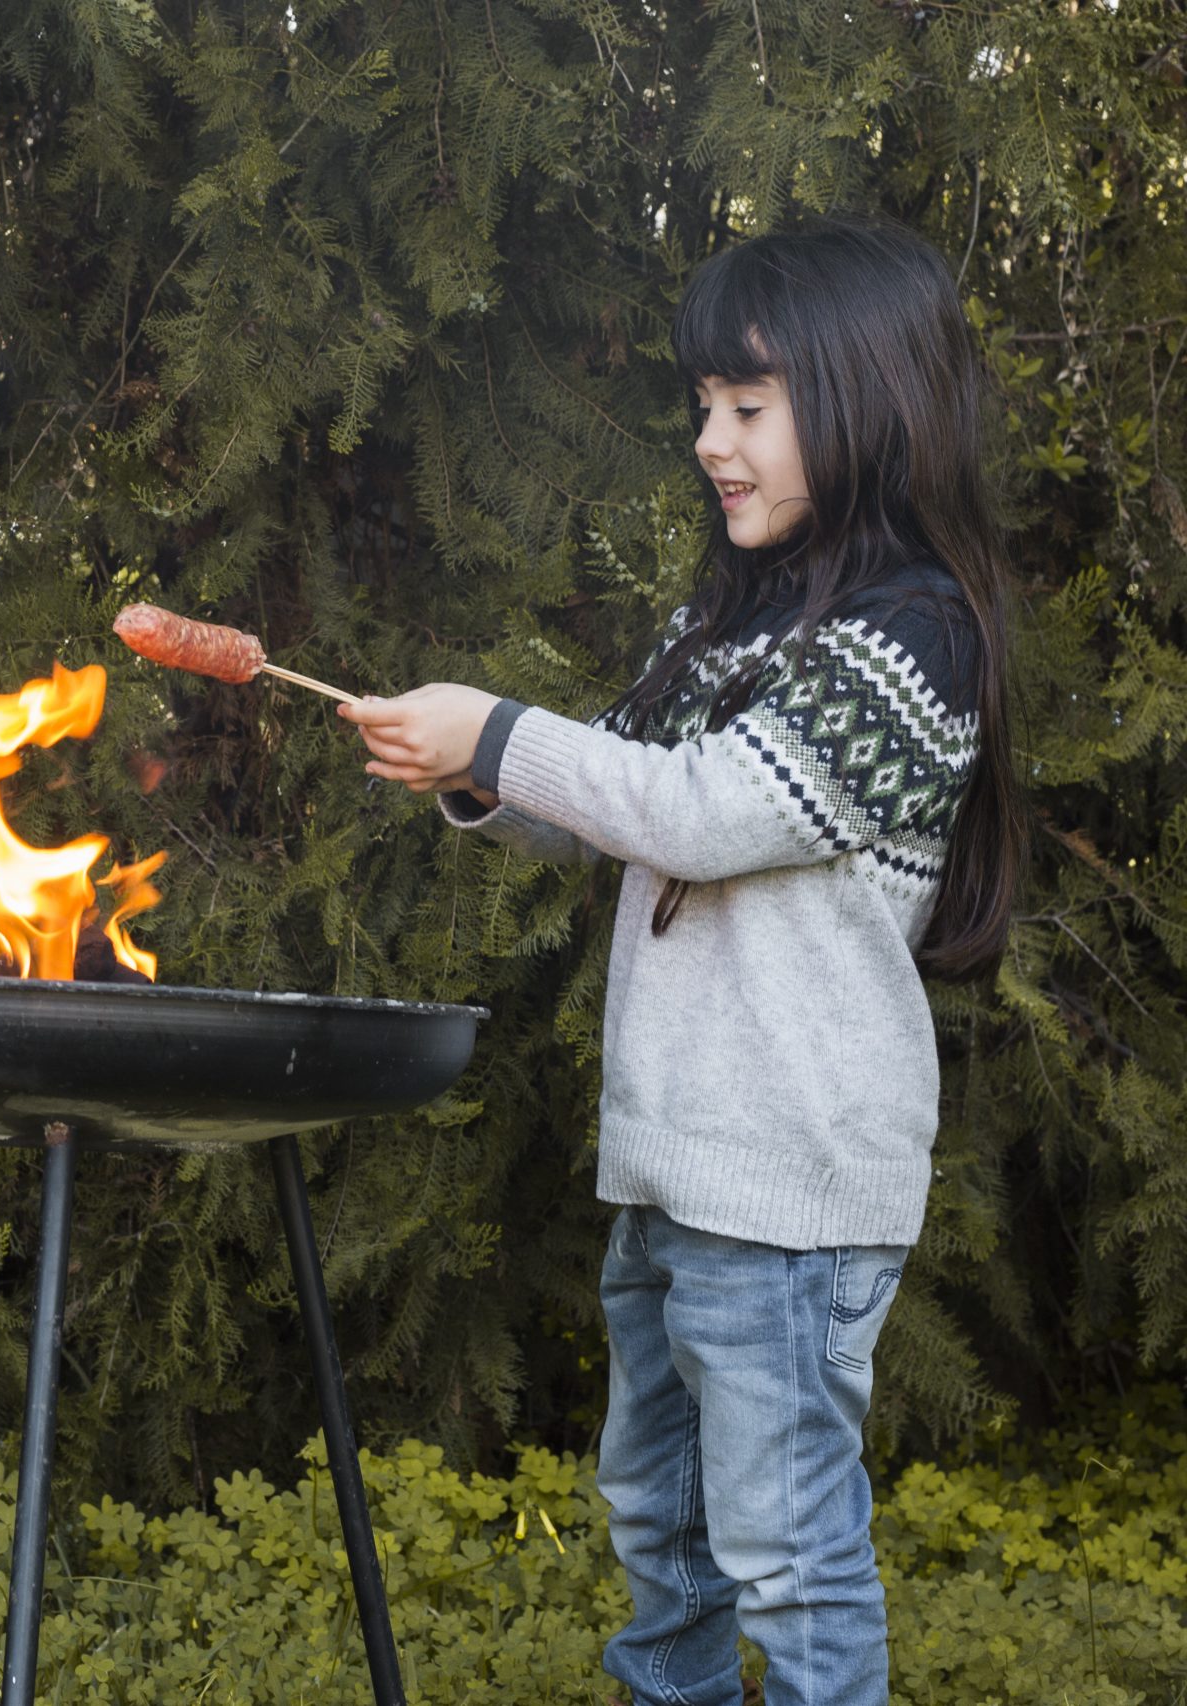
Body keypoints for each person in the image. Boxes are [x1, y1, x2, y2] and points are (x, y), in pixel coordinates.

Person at [337, 215, 1023, 1706]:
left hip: (786, 1189)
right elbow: (618, 809)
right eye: (702, 405)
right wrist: (470, 772)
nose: (711, 440)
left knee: (785, 1549)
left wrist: (501, 730)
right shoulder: (739, 614)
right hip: (676, 1168)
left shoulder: (914, 638)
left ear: (867, 402)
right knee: (662, 1524)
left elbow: (701, 814)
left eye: (749, 407)